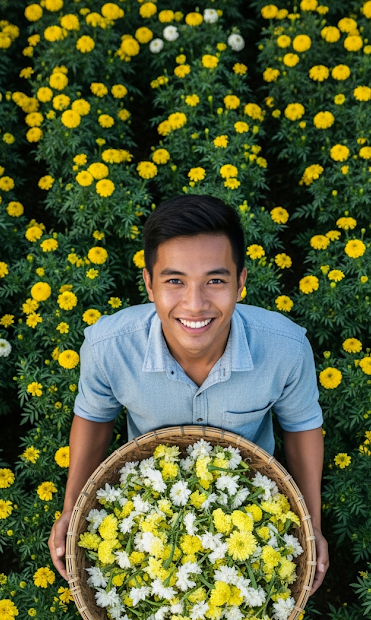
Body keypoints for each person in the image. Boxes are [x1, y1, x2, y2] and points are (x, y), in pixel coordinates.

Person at [48, 194, 329, 594]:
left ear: (241, 282)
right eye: (174, 281)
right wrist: (71, 509)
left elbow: (301, 425)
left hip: (252, 497)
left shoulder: (286, 348)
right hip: (145, 499)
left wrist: (311, 524)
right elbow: (94, 417)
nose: (195, 305)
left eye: (215, 281)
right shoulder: (108, 347)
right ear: (148, 283)